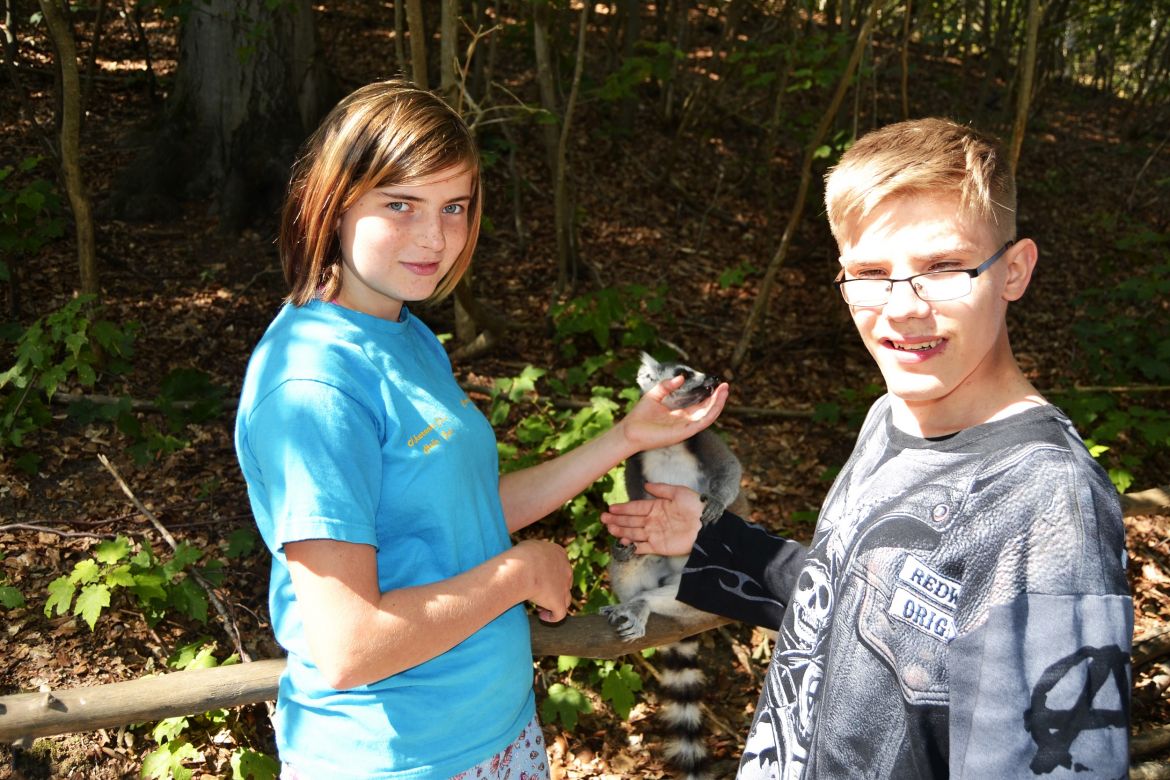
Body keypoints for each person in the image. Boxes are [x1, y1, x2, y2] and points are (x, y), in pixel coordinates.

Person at [602, 117, 1133, 778]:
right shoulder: (890, 416)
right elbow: (856, 601)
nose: (902, 307)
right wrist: (712, 543)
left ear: (1014, 272)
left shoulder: (1047, 503)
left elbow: (1059, 755)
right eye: (872, 273)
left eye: (943, 268)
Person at [233, 79, 729, 780]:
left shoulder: (404, 333)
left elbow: (458, 511)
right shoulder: (313, 385)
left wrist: (628, 436)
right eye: (400, 204)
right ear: (334, 202)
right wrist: (518, 572)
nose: (434, 237)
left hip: (495, 731)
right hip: (401, 761)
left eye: (454, 207)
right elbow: (349, 647)